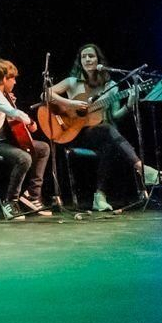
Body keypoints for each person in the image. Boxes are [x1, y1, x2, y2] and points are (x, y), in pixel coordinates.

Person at [47, 44, 142, 211]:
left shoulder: (110, 85)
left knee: (109, 140)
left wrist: (129, 104)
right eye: (84, 57)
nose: (88, 59)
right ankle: (141, 168)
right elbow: (45, 93)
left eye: (91, 56)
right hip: (75, 133)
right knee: (107, 131)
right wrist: (71, 103)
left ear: (99, 60)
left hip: (100, 134)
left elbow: (116, 115)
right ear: (80, 61)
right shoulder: (72, 82)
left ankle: (99, 196)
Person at [0, 59, 51, 219]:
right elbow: (14, 113)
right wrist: (31, 121)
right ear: (4, 79)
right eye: (13, 78)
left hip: (2, 141)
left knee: (43, 148)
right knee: (24, 158)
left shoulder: (0, 96)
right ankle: (10, 201)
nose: (15, 82)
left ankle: (32, 195)